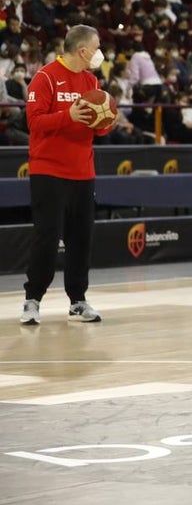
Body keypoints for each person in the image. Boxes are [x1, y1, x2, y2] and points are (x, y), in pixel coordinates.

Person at [20, 25, 109, 325]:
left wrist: (106, 120)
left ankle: (78, 301)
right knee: (47, 237)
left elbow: (97, 126)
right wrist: (66, 115)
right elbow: (34, 123)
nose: (99, 53)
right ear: (83, 50)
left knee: (81, 238)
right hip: (49, 170)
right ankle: (32, 300)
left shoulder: (91, 79)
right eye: (96, 47)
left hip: (83, 171)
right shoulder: (45, 77)